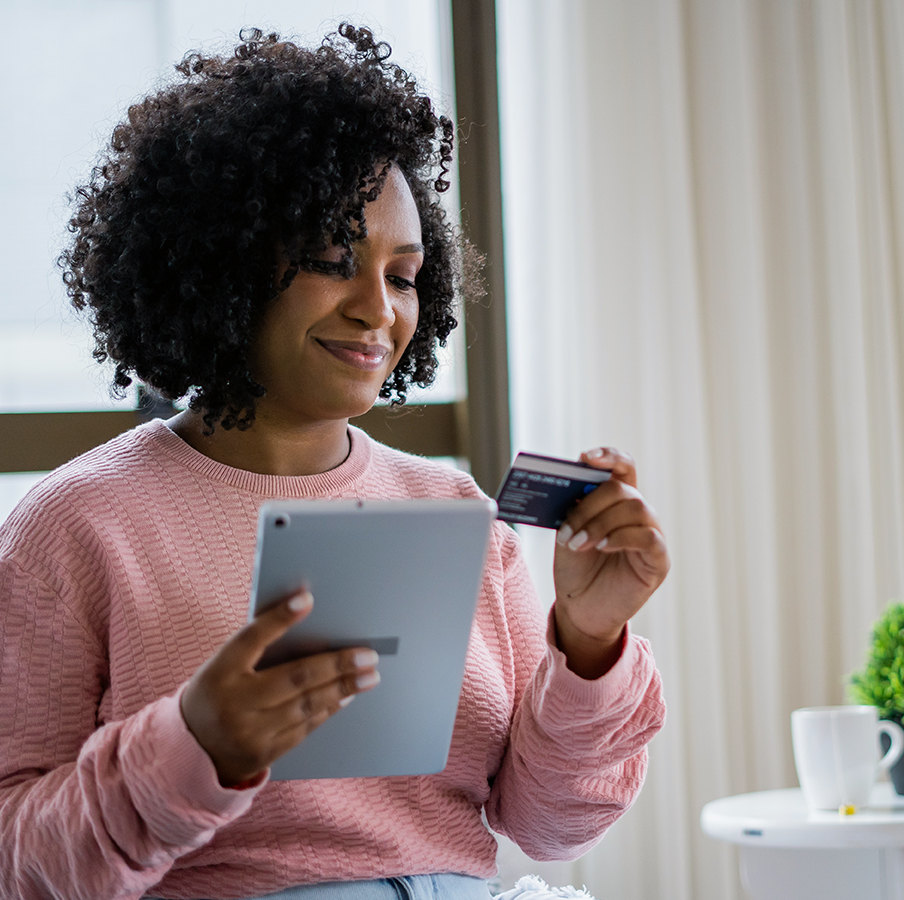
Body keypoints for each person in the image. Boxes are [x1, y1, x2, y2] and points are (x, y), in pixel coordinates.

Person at [0, 24, 667, 900]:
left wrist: (586, 646)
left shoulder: (449, 508)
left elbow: (547, 827)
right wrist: (192, 749)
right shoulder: (75, 527)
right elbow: (17, 863)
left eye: (402, 275)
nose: (377, 311)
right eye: (330, 262)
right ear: (223, 261)